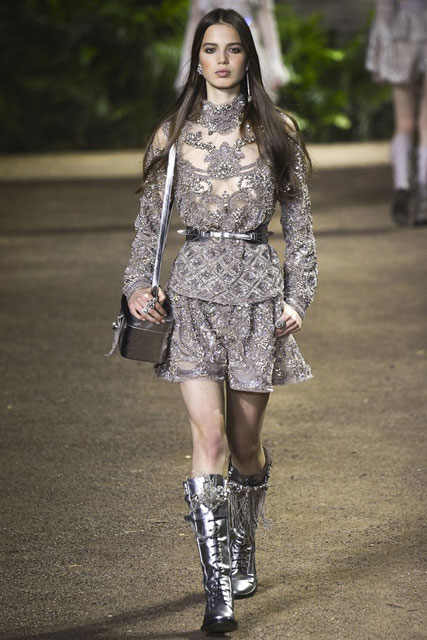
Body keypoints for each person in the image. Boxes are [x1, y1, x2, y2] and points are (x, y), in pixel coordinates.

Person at [123, 8, 317, 634]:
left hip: (258, 296)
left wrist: (298, 297)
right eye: (211, 49)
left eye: (233, 49)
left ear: (248, 57)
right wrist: (137, 285)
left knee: (244, 445)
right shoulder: (172, 133)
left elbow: (300, 227)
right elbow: (149, 224)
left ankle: (244, 542)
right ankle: (218, 591)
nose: (222, 60)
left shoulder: (278, 130)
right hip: (192, 297)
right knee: (206, 439)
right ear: (197, 58)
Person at [366, 0, 427, 226]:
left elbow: (384, 16)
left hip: (403, 40)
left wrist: (377, 60)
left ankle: (402, 184)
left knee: (404, 124)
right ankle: (423, 198)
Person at [175, 0, 290, 102]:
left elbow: (265, 16)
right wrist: (187, 63)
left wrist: (275, 63)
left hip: (247, 40)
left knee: (258, 98)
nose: (222, 59)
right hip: (210, 39)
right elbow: (195, 20)